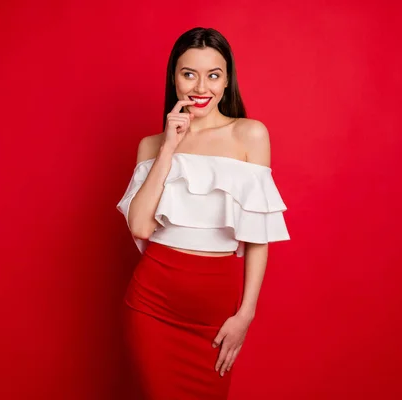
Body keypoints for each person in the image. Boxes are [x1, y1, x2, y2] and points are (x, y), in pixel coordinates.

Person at [116, 27, 291, 400]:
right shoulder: (152, 144)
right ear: (174, 78)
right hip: (152, 307)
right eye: (188, 73)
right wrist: (169, 147)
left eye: (213, 75)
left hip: (214, 312)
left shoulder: (250, 135)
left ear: (227, 82)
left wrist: (245, 314)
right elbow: (140, 225)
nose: (201, 87)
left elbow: (258, 236)